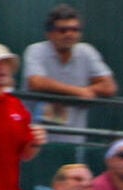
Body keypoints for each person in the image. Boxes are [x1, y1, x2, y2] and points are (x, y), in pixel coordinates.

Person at [21, 3, 117, 143]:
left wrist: (88, 90)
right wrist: (77, 92)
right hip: (37, 142)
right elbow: (36, 82)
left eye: (74, 29)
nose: (69, 34)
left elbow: (109, 86)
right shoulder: (36, 51)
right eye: (62, 30)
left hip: (74, 139)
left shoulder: (86, 51)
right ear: (49, 34)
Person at [0, 43, 46, 190]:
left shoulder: (17, 107)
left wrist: (35, 143)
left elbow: (25, 153)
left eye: (5, 63)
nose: (2, 68)